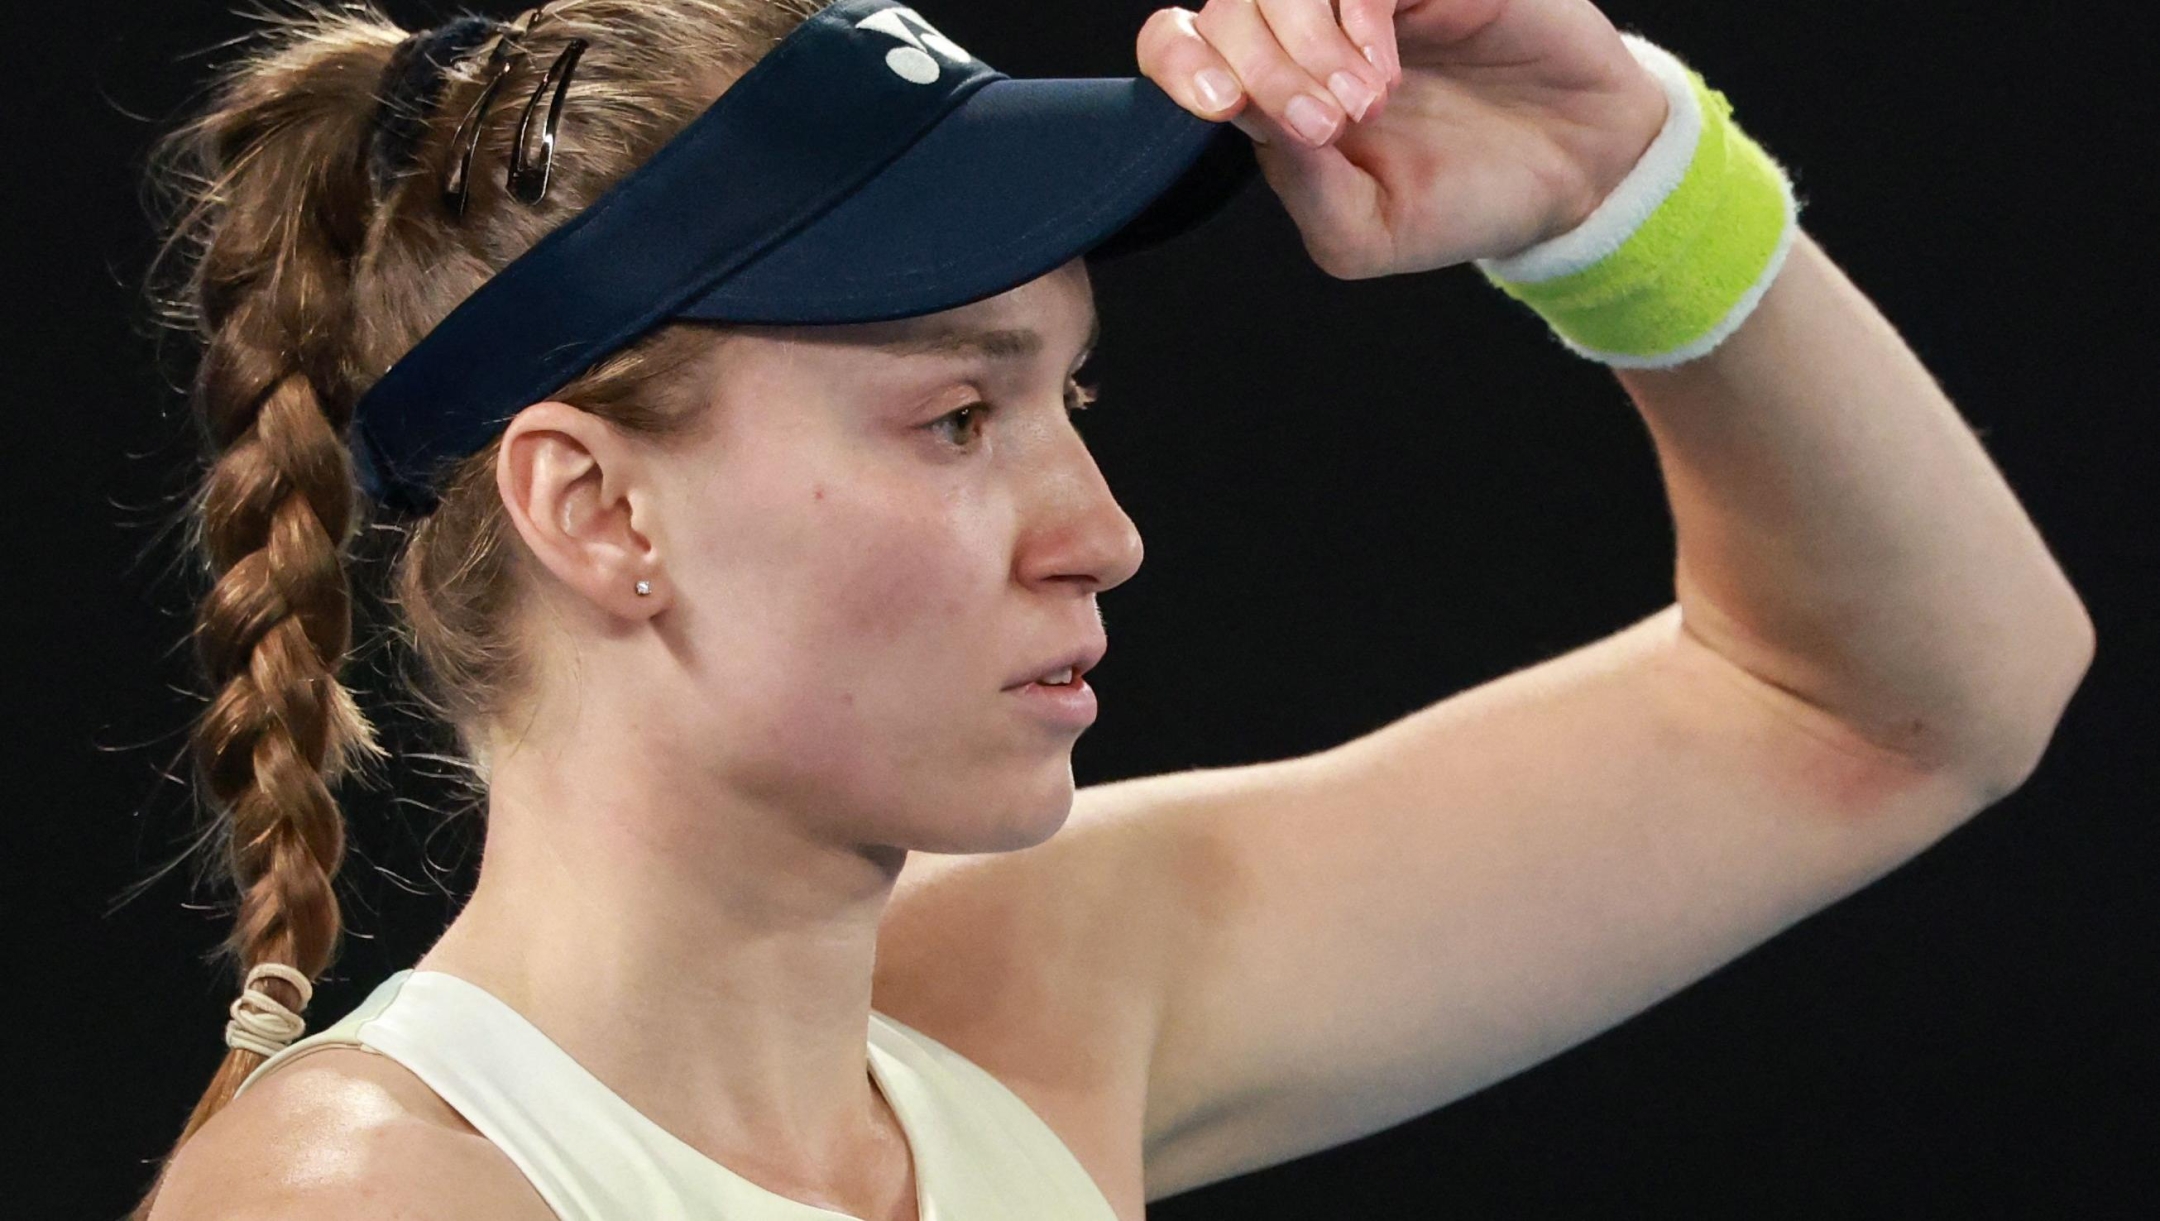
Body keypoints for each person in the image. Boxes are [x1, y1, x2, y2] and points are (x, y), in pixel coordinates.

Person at [131, 0, 2093, 1218]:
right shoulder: (370, 1198)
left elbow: (1912, 697)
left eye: (1075, 394)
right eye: (960, 412)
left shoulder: (1037, 993)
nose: (1102, 528)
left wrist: (1625, 190)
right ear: (595, 504)